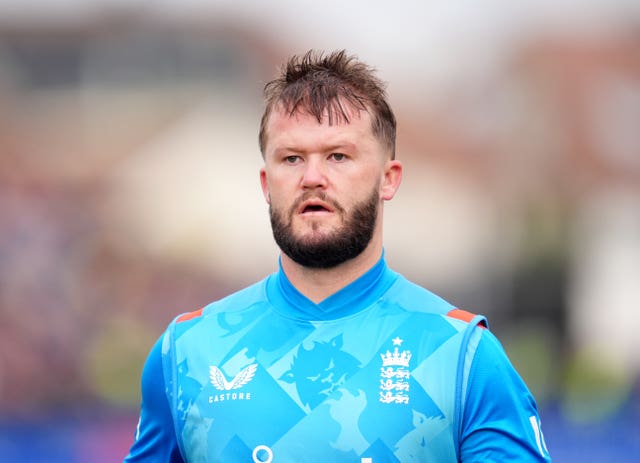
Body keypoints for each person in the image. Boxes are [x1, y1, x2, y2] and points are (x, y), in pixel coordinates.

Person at [124, 49, 551, 462]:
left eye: (338, 156)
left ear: (388, 179)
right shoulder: (186, 353)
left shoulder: (462, 356)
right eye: (291, 158)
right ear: (266, 183)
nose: (312, 177)